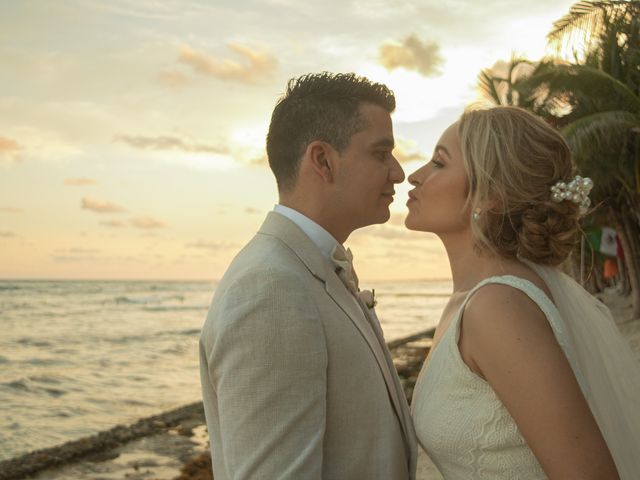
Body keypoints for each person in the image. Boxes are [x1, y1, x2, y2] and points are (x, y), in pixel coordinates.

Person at [200, 72, 417, 480]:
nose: (398, 172)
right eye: (380, 153)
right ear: (322, 160)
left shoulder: (307, 269)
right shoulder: (271, 287)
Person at [406, 105, 640, 479]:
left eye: (438, 163)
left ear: (490, 196)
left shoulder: (498, 308)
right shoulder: (476, 300)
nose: (414, 177)